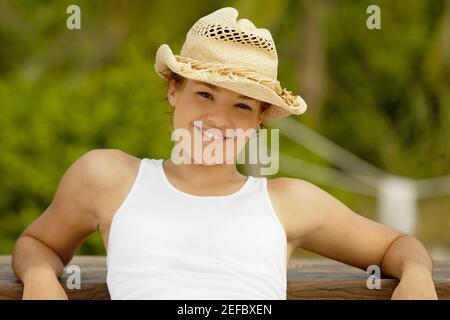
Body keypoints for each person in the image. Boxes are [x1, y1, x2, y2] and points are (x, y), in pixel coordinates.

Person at [12, 7, 437, 300]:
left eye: (240, 105)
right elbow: (36, 243)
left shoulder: (288, 203)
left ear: (259, 120)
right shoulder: (107, 178)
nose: (218, 118)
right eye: (204, 94)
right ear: (174, 89)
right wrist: (38, 276)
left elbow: (398, 245)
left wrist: (417, 277)